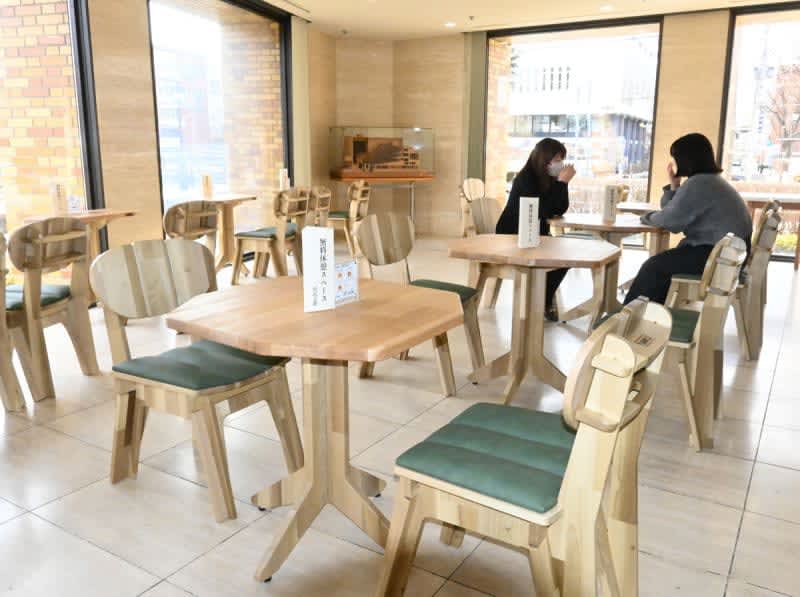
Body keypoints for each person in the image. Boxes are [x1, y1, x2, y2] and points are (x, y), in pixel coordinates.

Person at [624, 133, 752, 304]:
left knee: (654, 267)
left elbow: (670, 221)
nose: (674, 162)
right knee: (661, 265)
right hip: (729, 254)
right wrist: (674, 186)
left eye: (675, 157)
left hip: (717, 256)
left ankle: (630, 316)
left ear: (686, 159)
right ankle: (649, 314)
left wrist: (646, 217)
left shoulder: (699, 183)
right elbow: (672, 211)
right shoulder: (709, 180)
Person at [496, 138, 576, 320]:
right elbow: (542, 210)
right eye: (557, 159)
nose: (560, 164)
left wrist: (563, 183)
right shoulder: (525, 179)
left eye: (561, 159)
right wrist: (561, 183)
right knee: (558, 257)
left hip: (536, 234)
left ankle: (542, 299)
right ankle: (541, 302)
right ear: (544, 159)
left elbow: (559, 208)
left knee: (567, 256)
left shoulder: (549, 179)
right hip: (514, 234)